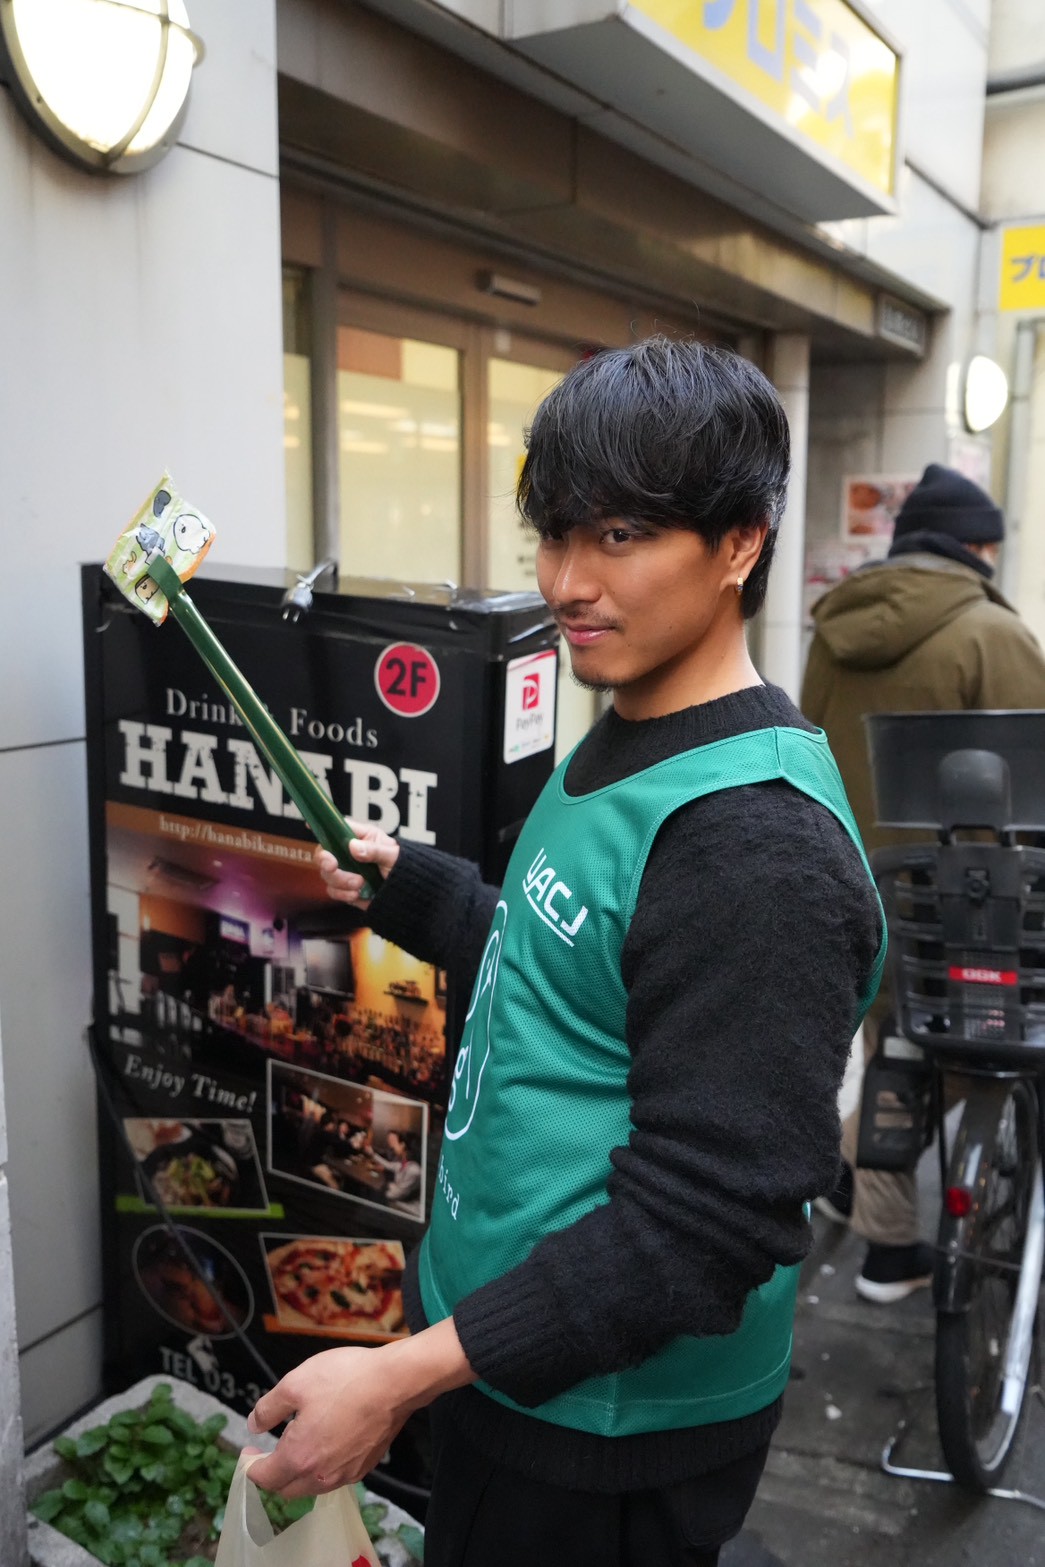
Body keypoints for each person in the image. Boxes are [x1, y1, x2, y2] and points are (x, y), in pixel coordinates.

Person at [245, 337, 884, 1567]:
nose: (567, 582)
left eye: (620, 536)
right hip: (509, 1363)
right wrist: (418, 891)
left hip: (603, 1431)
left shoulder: (757, 847)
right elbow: (573, 970)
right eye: (553, 534)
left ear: (740, 543)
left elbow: (708, 1223)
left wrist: (401, 1376)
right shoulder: (632, 726)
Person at [802, 461, 1045, 1303]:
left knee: (895, 1049)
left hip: (860, 887)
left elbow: (809, 750)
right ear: (976, 548)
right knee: (979, 1055)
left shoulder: (832, 632)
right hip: (971, 909)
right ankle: (874, 1213)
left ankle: (874, 1222)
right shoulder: (993, 636)